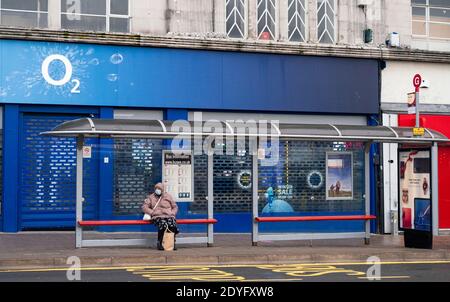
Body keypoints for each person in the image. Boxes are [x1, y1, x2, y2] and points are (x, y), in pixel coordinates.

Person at [142, 183, 179, 250]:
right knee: (163, 225)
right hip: (157, 216)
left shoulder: (168, 196)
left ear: (162, 190)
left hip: (168, 216)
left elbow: (175, 206)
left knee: (172, 225)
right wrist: (153, 212)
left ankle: (172, 243)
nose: (158, 190)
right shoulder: (151, 197)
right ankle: (160, 243)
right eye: (156, 189)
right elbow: (144, 207)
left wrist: (172, 213)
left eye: (159, 189)